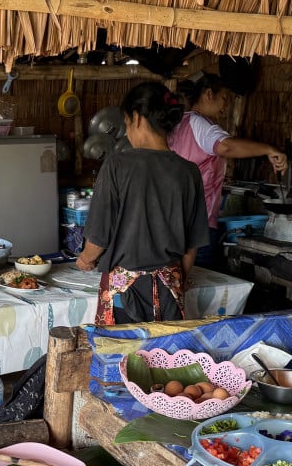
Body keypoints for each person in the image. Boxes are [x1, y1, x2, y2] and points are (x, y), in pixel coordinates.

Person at [75, 83, 209, 325]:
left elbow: (98, 239)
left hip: (125, 295)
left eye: (126, 124)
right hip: (170, 290)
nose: (128, 133)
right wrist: (176, 280)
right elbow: (191, 247)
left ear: (136, 118)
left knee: (123, 348)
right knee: (165, 349)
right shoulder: (189, 171)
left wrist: (85, 259)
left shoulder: (116, 165)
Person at [169, 70, 288, 262]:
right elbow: (226, 146)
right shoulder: (200, 125)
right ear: (209, 94)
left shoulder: (181, 122)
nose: (226, 105)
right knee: (199, 275)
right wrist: (269, 149)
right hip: (197, 224)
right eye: (224, 98)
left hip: (175, 219)